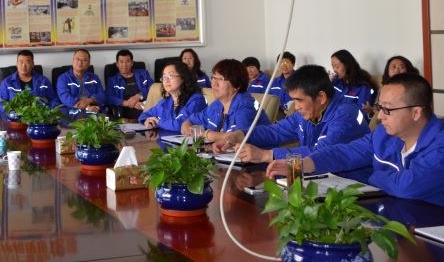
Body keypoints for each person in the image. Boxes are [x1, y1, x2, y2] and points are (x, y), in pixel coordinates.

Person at [266, 73, 444, 207]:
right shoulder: (384, 134)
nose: (380, 116)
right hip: (393, 218)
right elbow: (346, 152)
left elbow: (407, 187)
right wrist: (303, 164)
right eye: (379, 107)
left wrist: (373, 176)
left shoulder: (440, 144)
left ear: (416, 113)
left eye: (387, 110)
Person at [212, 65, 370, 163]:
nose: (296, 106)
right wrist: (238, 136)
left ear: (321, 97)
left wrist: (267, 155)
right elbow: (275, 131)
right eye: (293, 100)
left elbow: (321, 153)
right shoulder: (308, 112)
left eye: (299, 100)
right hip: (320, 180)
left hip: (353, 186)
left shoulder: (345, 115)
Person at [181, 59, 270, 140]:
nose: (214, 83)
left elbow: (237, 138)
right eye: (214, 77)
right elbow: (189, 121)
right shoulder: (217, 104)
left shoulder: (246, 105)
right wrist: (188, 130)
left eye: (220, 79)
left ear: (236, 86)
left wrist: (204, 134)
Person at [139, 61, 206, 132]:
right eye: (164, 77)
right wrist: (147, 121)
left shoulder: (196, 100)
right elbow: (144, 115)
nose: (166, 80)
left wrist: (158, 122)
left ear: (183, 77)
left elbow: (181, 125)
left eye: (170, 76)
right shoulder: (165, 102)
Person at [0, 50, 59, 119]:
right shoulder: (7, 82)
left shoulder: (44, 81)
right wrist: (10, 112)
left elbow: (54, 100)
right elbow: (0, 102)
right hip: (15, 119)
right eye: (21, 62)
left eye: (27, 62)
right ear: (17, 64)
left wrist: (47, 110)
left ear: (33, 64)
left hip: (39, 118)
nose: (24, 66)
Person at [105, 49, 154, 120]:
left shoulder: (143, 74)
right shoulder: (113, 80)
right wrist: (128, 103)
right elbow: (109, 98)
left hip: (146, 109)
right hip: (125, 114)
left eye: (127, 61)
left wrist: (139, 96)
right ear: (117, 64)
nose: (124, 65)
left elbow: (153, 88)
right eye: (121, 62)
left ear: (132, 63)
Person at [56, 49, 106, 114]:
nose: (80, 62)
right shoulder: (63, 78)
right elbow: (65, 98)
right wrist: (87, 108)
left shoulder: (94, 78)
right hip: (72, 112)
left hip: (94, 109)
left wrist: (89, 100)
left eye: (84, 60)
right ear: (72, 61)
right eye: (77, 59)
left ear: (88, 64)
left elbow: (102, 95)